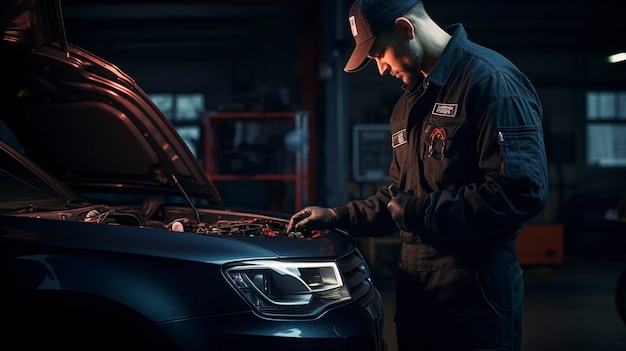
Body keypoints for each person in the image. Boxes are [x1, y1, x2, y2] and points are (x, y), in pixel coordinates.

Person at [286, 0, 548, 350]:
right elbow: (400, 197)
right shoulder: (408, 104)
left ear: (405, 29)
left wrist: (418, 214)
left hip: (473, 297)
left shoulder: (491, 83)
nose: (380, 69)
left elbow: (520, 191)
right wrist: (337, 216)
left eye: (380, 54)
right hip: (418, 295)